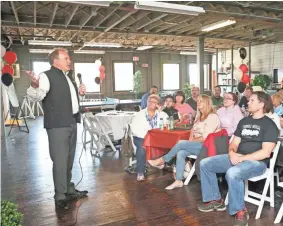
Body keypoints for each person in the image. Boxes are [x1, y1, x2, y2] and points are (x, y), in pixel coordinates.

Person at [198, 91, 278, 226]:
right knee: (205, 163)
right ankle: (215, 201)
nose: (248, 102)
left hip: (257, 163)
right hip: (238, 157)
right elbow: (234, 143)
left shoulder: (269, 125)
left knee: (233, 172)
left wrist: (242, 158)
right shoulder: (244, 121)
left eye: (252, 100)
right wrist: (232, 153)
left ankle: (240, 211)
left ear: (262, 104)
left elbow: (265, 153)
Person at [26, 48, 88, 210]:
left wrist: (80, 94)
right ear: (56, 61)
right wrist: (34, 85)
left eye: (69, 58)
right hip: (58, 125)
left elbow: (69, 99)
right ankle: (60, 195)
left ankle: (68, 188)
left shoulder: (69, 77)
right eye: (66, 58)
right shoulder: (47, 76)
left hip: (72, 122)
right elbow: (37, 96)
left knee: (68, 160)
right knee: (60, 160)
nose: (69, 60)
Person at [148, 95, 220, 190]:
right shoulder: (199, 116)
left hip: (209, 146)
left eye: (201, 101)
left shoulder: (212, 117)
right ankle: (178, 181)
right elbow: (192, 130)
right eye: (198, 101)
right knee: (181, 152)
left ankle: (162, 160)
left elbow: (205, 137)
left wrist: (190, 141)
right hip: (198, 145)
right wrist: (190, 140)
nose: (198, 102)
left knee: (181, 143)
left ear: (207, 103)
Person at [131, 94, 168, 181]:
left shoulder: (162, 114)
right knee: (142, 147)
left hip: (156, 139)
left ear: (158, 104)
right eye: (149, 101)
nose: (151, 103)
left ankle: (160, 162)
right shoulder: (139, 115)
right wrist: (147, 137)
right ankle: (140, 172)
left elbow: (166, 126)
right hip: (140, 137)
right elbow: (135, 129)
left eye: (154, 102)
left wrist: (160, 112)